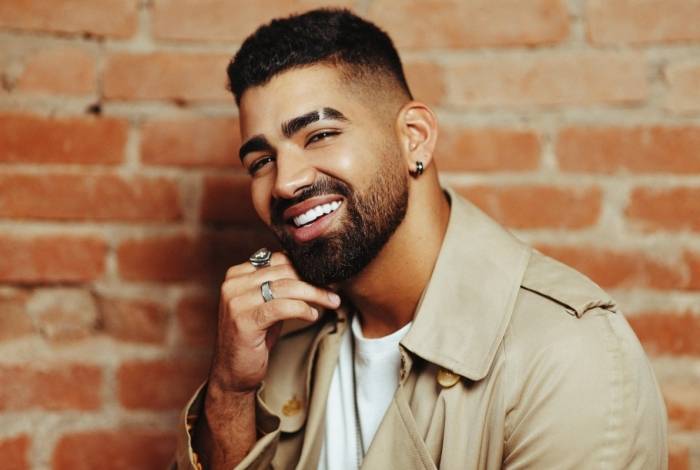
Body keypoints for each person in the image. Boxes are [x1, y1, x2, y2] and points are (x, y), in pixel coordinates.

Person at [174, 8, 667, 470]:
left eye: (319, 135)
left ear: (415, 136)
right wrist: (231, 391)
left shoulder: (569, 353)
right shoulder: (284, 338)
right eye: (261, 161)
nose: (285, 182)